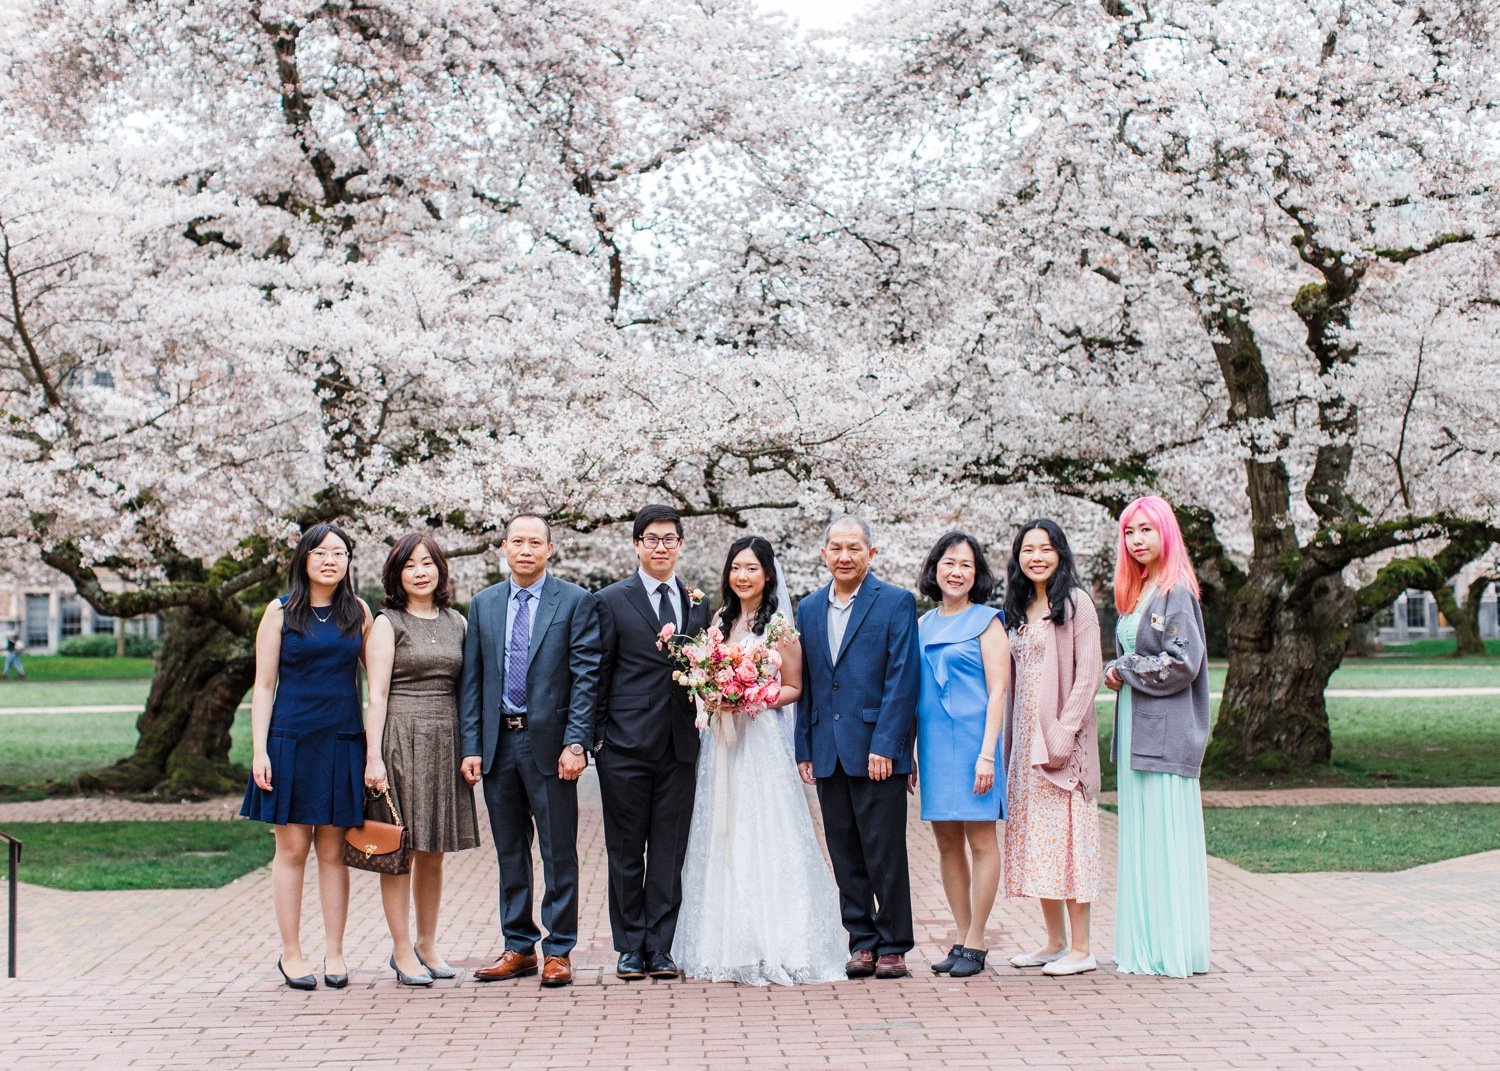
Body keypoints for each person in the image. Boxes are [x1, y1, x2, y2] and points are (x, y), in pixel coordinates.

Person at [673, 536, 847, 985]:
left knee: (764, 830)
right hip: (723, 743)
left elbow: (794, 686)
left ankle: (779, 940)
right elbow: (705, 675)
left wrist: (752, 697)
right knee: (723, 832)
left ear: (767, 574)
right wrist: (713, 694)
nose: (742, 576)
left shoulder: (780, 628)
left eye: (751, 568)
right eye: (736, 568)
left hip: (761, 739)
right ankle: (729, 943)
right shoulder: (720, 619)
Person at [459, 515, 601, 988]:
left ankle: (559, 949)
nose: (525, 549)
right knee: (510, 851)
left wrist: (576, 741)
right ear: (503, 547)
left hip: (551, 747)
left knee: (559, 851)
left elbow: (586, 679)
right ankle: (518, 945)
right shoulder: (483, 605)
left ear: (550, 548)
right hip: (499, 744)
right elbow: (473, 681)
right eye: (517, 541)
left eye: (534, 542)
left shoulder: (575, 601)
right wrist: (472, 745)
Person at [240, 523, 371, 991]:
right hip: (289, 741)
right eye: (321, 552)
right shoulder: (278, 613)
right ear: (304, 559)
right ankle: (291, 954)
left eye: (340, 552)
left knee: (334, 852)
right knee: (292, 850)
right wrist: (259, 749)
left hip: (341, 740)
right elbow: (263, 687)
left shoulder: (358, 611)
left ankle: (335, 952)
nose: (330, 560)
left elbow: (378, 683)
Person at [796, 515, 921, 980]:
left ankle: (893, 944)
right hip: (828, 748)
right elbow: (807, 681)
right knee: (844, 851)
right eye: (836, 547)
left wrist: (888, 744)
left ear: (871, 554)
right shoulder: (808, 609)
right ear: (824, 553)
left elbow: (903, 679)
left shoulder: (895, 603)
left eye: (854, 548)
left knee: (883, 850)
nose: (844, 556)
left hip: (877, 750)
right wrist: (804, 746)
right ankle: (861, 942)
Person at [593, 503, 712, 981]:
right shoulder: (609, 600)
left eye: (669, 539)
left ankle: (660, 946)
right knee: (625, 850)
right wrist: (595, 739)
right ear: (637, 545)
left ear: (680, 545)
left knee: (669, 849)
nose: (660, 547)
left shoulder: (698, 601)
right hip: (622, 746)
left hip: (680, 746)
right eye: (652, 539)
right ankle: (629, 945)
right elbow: (596, 673)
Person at [363, 532, 479, 987]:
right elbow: (374, 695)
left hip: (445, 738)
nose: (420, 571)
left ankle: (428, 943)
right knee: (400, 849)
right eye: (409, 565)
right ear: (397, 573)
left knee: (434, 850)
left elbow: (467, 689)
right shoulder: (388, 623)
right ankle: (400, 948)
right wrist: (374, 758)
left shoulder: (458, 622)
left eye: (427, 563)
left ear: (440, 570)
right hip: (400, 739)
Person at [1104, 494, 1212, 977]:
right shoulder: (1140, 590)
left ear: (1165, 532)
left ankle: (1170, 949)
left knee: (1164, 838)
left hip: (1166, 734)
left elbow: (1182, 663)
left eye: (1146, 529)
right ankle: (1145, 944)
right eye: (1130, 532)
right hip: (1136, 728)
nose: (1137, 540)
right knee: (1142, 840)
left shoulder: (1176, 592)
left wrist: (1123, 666)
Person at [1000, 519, 1104, 977]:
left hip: (1062, 743)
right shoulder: (1020, 608)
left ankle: (1082, 948)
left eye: (1045, 548)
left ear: (1060, 553)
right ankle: (1054, 942)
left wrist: (1064, 733)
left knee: (1069, 841)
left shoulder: (1076, 604)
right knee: (1041, 842)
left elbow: (1089, 674)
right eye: (1028, 549)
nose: (1036, 556)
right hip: (1024, 742)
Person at [914, 531, 1009, 979]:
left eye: (966, 565)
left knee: (980, 840)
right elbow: (912, 693)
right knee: (947, 842)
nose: (957, 571)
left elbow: (998, 691)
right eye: (949, 562)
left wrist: (987, 754)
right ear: (935, 569)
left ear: (977, 574)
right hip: (934, 744)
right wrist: (910, 750)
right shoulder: (922, 625)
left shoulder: (989, 621)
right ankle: (961, 934)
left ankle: (977, 940)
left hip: (975, 743)